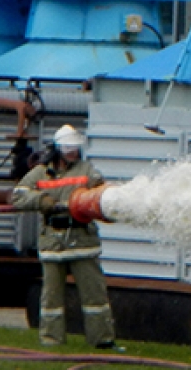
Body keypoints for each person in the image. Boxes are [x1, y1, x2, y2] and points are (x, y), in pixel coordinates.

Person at [11, 125, 116, 349]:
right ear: (58, 149)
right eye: (69, 148)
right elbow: (17, 197)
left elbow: (101, 193)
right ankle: (51, 341)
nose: (73, 153)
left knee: (94, 294)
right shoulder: (40, 173)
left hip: (82, 241)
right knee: (51, 299)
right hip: (53, 242)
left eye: (75, 148)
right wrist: (42, 201)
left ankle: (102, 340)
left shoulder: (87, 171)